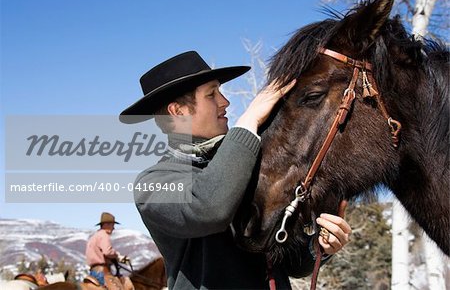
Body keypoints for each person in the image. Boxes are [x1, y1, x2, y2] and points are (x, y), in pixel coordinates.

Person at [120, 51, 352, 289]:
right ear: (178, 112)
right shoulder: (152, 184)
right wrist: (249, 120)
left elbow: (291, 264)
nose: (225, 102)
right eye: (212, 94)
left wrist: (319, 247)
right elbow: (209, 207)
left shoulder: (250, 163)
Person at [85, 212, 127, 286]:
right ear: (106, 224)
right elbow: (107, 252)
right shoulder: (104, 235)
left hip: (93, 272)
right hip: (102, 272)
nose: (113, 228)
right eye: (112, 225)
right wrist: (118, 256)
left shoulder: (95, 236)